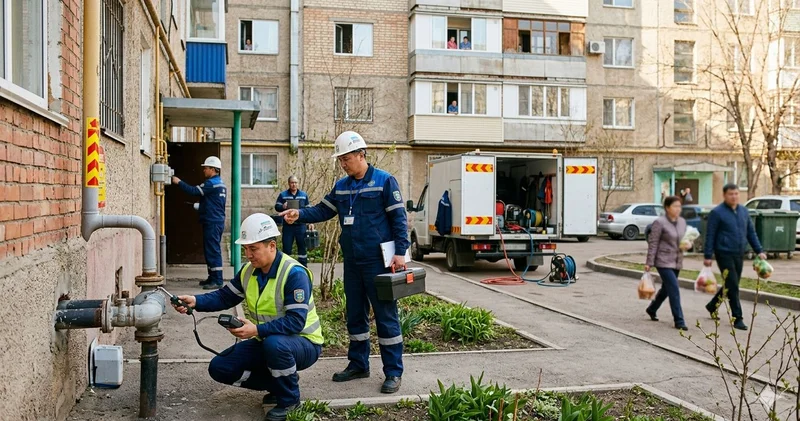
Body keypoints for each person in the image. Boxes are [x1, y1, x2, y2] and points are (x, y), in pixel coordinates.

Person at [279, 131, 409, 394]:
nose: (343, 164)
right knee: (355, 315)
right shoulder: (341, 186)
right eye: (340, 159)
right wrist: (299, 214)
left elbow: (399, 218)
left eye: (346, 158)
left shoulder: (384, 181)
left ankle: (393, 372)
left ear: (361, 155)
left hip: (378, 263)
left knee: (386, 316)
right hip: (352, 262)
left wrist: (400, 252)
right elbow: (323, 210)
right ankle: (358, 364)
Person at [171, 213, 323, 421]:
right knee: (220, 367)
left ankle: (289, 401)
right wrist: (195, 302)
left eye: (253, 248)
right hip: (268, 339)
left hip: (304, 343)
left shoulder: (294, 273)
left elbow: (296, 321)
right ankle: (279, 384)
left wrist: (256, 330)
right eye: (245, 249)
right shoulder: (249, 271)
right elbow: (225, 297)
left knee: (275, 345)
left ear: (272, 246)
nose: (248, 254)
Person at [703, 183, 767, 331]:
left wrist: (759, 250)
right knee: (733, 284)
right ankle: (738, 318)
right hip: (723, 252)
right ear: (724, 195)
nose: (734, 196)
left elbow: (751, 232)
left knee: (731, 284)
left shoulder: (743, 211)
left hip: (739, 252)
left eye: (736, 194)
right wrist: (708, 256)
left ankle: (712, 306)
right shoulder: (717, 213)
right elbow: (710, 235)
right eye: (731, 194)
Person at [173, 156, 227, 289]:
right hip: (215, 220)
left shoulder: (211, 183)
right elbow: (213, 202)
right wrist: (202, 206)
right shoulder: (219, 183)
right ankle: (212, 277)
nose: (204, 170)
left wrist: (178, 182)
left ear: (213, 169)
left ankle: (217, 280)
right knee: (210, 250)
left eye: (206, 168)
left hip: (212, 221)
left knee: (213, 250)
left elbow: (193, 191)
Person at [644, 196, 688, 331]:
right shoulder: (659, 222)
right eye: (675, 206)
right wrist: (649, 262)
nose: (678, 209)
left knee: (666, 289)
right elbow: (653, 243)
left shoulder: (682, 222)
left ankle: (652, 308)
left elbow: (683, 239)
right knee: (674, 288)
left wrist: (687, 244)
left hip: (677, 260)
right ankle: (679, 320)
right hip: (662, 261)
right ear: (667, 208)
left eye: (679, 206)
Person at [275, 176, 310, 267]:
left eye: (295, 182)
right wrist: (283, 206)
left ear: (298, 183)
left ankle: (303, 267)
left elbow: (308, 210)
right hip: (288, 226)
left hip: (301, 226)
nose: (294, 184)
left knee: (302, 247)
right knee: (286, 248)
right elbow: (277, 207)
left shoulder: (303, 195)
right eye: (292, 182)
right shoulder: (283, 195)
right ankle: (286, 267)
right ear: (289, 183)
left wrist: (310, 223)